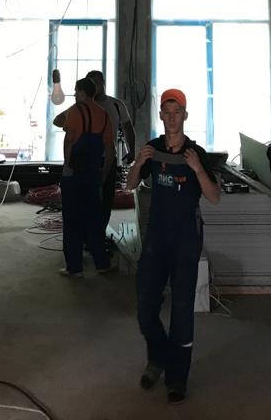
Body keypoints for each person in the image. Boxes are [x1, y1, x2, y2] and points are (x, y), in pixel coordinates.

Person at [125, 89, 220, 404]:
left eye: (177, 111)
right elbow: (130, 184)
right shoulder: (152, 150)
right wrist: (139, 162)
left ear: (185, 116)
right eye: (167, 112)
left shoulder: (196, 153)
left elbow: (214, 196)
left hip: (185, 241)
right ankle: (159, 356)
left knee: (181, 310)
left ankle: (177, 378)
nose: (172, 117)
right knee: (145, 308)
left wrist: (198, 169)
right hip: (157, 239)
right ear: (161, 116)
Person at [57, 76, 114, 277]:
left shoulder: (75, 111)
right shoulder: (104, 114)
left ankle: (74, 267)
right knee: (95, 219)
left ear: (82, 92)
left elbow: (69, 141)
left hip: (74, 173)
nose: (74, 94)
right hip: (93, 174)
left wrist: (67, 166)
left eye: (76, 91)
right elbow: (109, 149)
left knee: (72, 220)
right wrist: (104, 172)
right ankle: (102, 264)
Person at [85, 69, 136, 233]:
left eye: (96, 83)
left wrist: (132, 150)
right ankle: (88, 234)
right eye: (90, 84)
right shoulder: (85, 105)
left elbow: (128, 127)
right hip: (88, 159)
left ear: (103, 83)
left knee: (107, 198)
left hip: (108, 157)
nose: (94, 87)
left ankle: (100, 232)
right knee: (87, 197)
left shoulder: (116, 105)